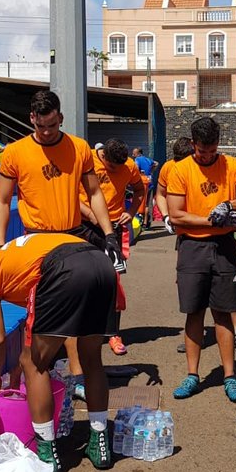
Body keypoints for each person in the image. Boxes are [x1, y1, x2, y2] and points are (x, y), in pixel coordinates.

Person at [0, 232, 116, 472]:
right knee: (91, 359)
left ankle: (47, 452)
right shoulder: (15, 254)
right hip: (102, 263)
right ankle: (100, 444)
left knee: (34, 365)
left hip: (64, 268)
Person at [165, 115, 236, 404]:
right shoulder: (180, 169)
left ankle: (230, 376)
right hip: (192, 249)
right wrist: (212, 218)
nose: (207, 156)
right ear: (194, 144)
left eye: (212, 150)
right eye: (202, 151)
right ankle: (192, 375)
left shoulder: (232, 165)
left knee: (223, 312)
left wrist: (228, 204)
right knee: (194, 312)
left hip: (224, 247)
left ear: (218, 143)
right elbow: (176, 214)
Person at [0, 89, 121, 258]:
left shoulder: (79, 148)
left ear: (60, 118)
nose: (46, 132)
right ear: (32, 118)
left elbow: (94, 192)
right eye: (40, 126)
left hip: (72, 235)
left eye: (52, 125)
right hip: (35, 237)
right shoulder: (14, 152)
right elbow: (3, 200)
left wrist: (109, 234)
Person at [79, 139, 145, 355]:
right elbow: (69, 191)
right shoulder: (86, 159)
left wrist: (133, 211)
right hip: (84, 226)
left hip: (113, 227)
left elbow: (139, 189)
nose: (116, 171)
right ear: (103, 156)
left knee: (113, 280)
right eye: (112, 167)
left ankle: (113, 333)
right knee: (84, 280)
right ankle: (82, 332)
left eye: (120, 167)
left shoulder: (130, 166)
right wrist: (91, 215)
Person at [132, 146, 158, 228]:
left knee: (142, 203)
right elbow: (156, 163)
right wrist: (151, 171)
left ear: (138, 153)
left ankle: (143, 222)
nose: (133, 155)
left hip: (142, 183)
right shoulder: (147, 159)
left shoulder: (137, 160)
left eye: (134, 153)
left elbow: (135, 168)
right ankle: (148, 222)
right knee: (149, 203)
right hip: (150, 182)